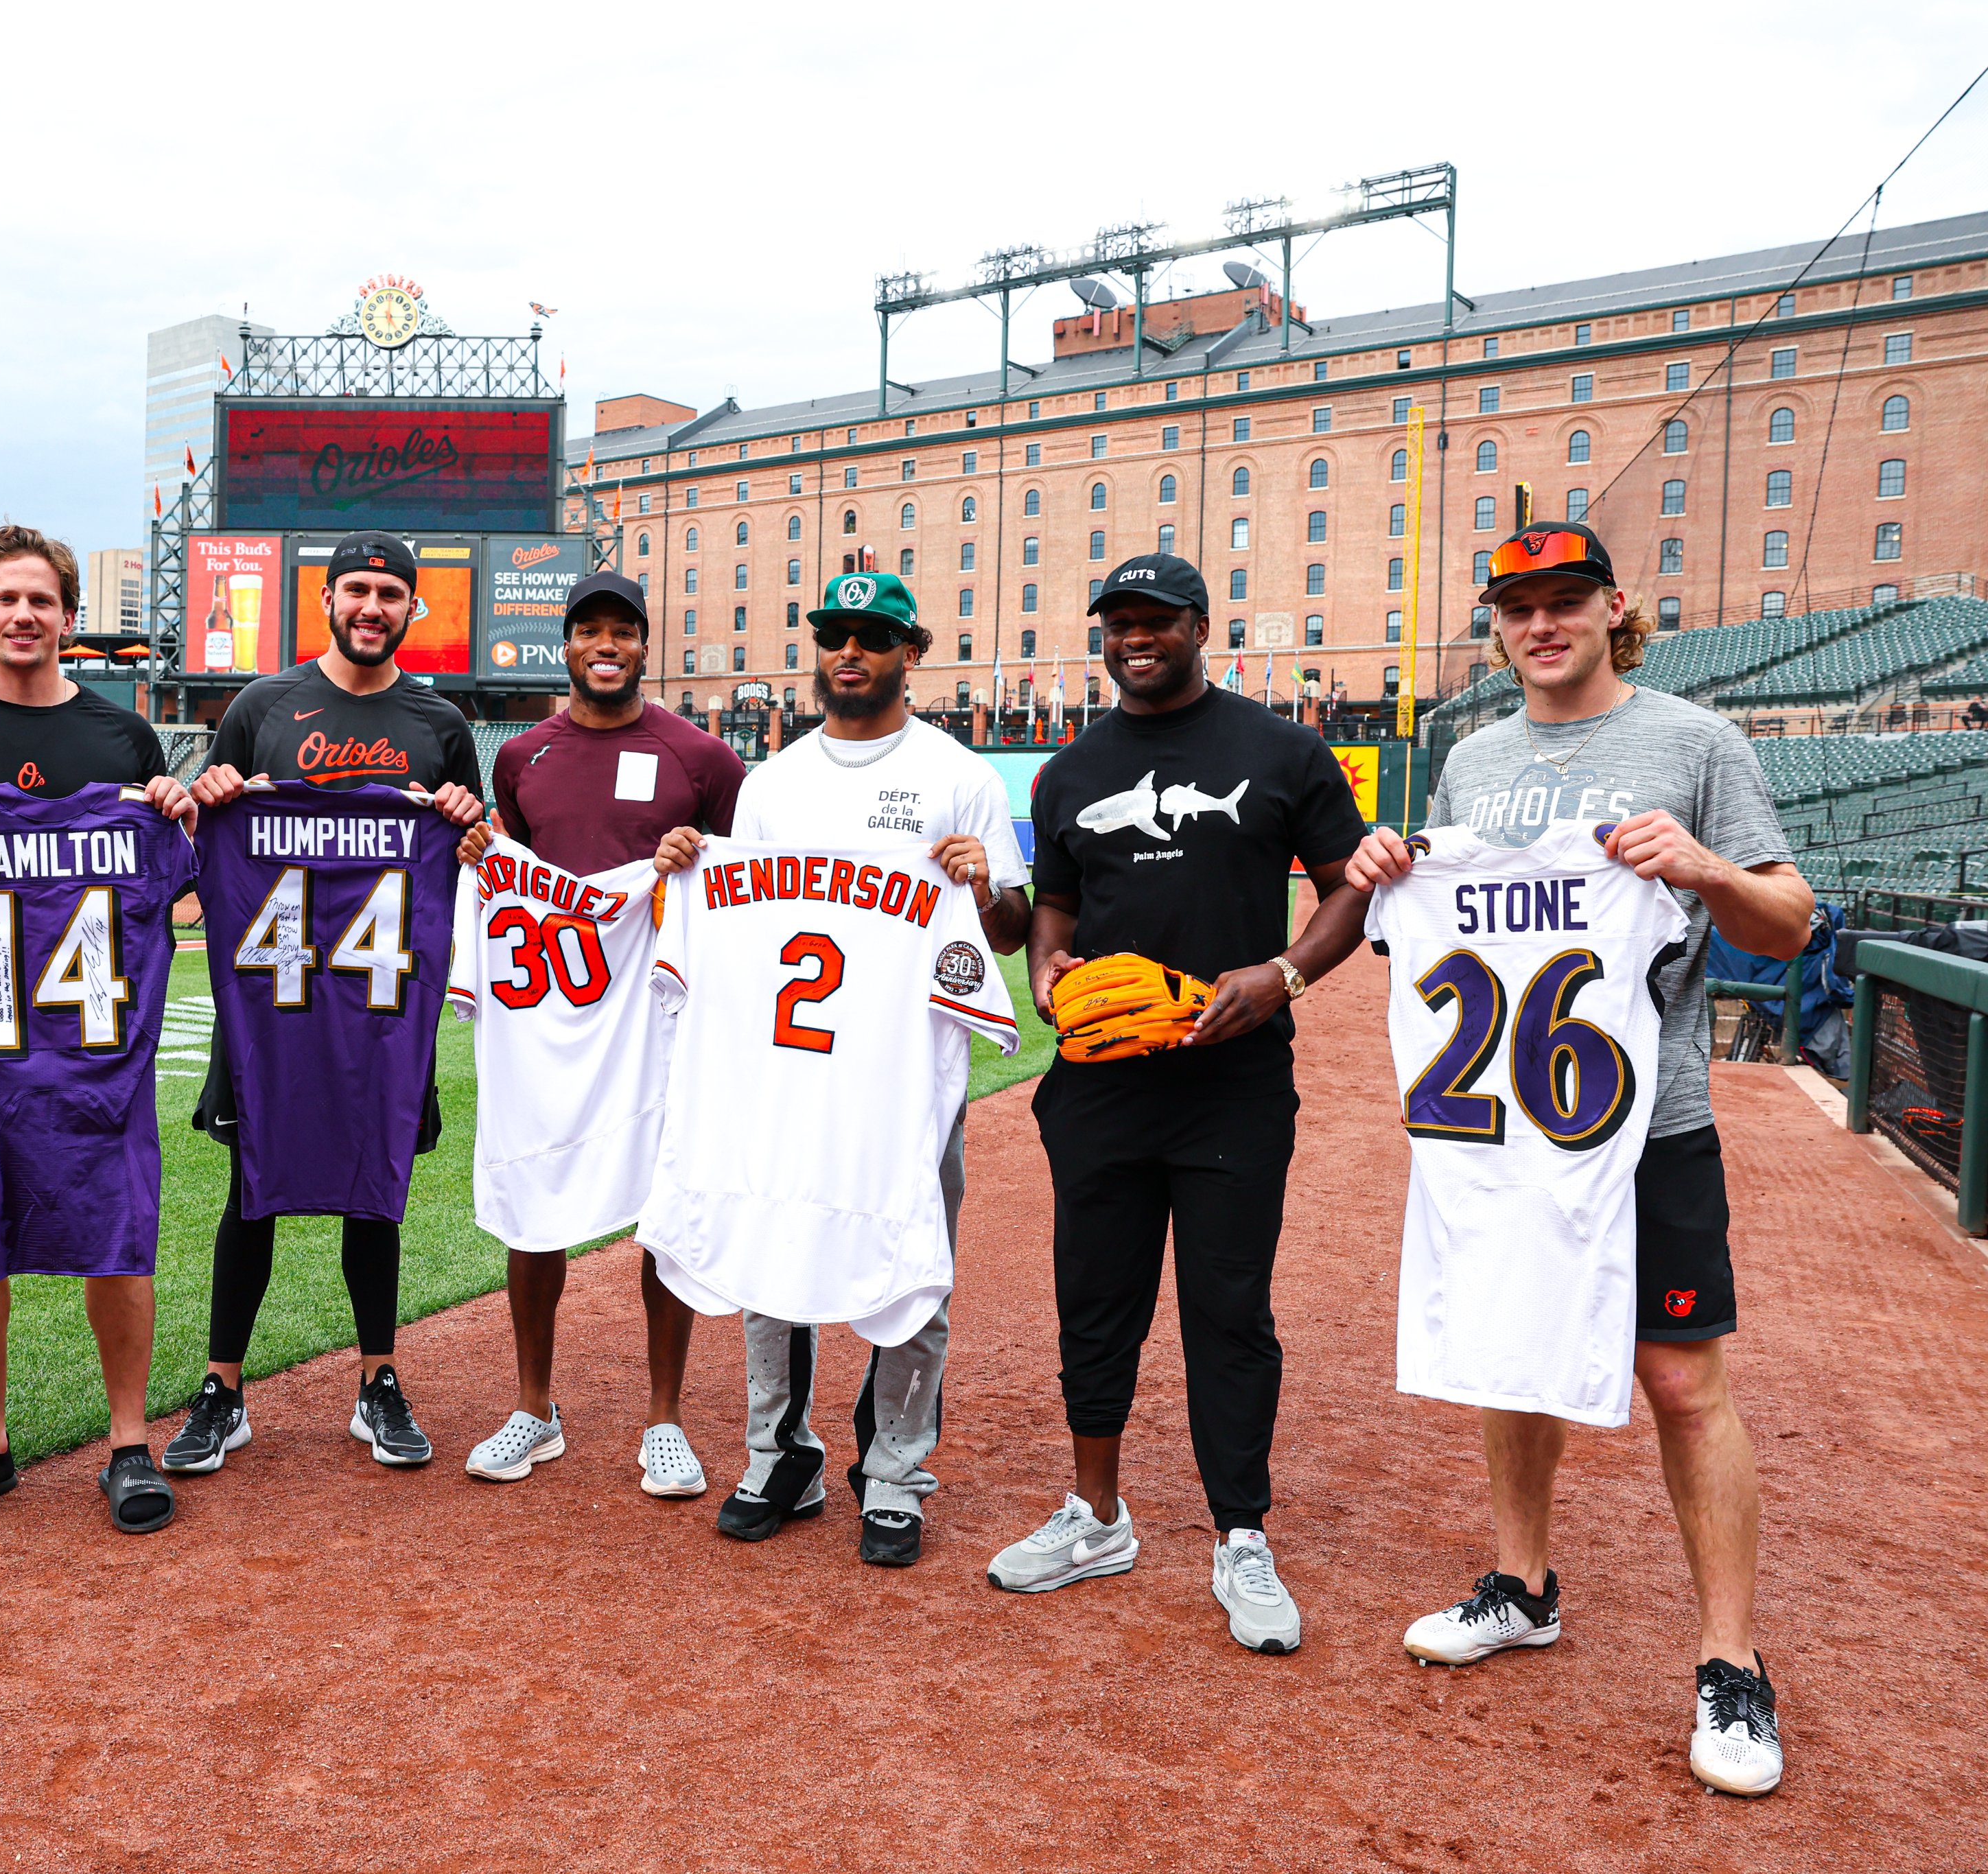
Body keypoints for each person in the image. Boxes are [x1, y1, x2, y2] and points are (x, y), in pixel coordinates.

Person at [1341, 521, 1811, 1796]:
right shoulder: (1472, 759)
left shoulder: (1694, 740)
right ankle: (1523, 1584)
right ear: (1497, 625)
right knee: (1512, 1350)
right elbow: (1430, 941)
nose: (1540, 624)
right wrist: (1392, 863)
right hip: (1498, 1127)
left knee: (1680, 1381)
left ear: (1615, 608)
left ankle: (1731, 1659)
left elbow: (1788, 913)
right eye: (1516, 605)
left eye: (1564, 600)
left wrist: (1703, 866)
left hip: (1648, 1127)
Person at [990, 552, 1370, 1654]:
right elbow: (1054, 913)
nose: (1135, 637)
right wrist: (1050, 974)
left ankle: (1240, 1532)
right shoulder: (1067, 773)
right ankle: (1096, 1513)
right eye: (1119, 622)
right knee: (1094, 1300)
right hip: (1103, 1081)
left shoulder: (1282, 749)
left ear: (1202, 627)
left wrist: (1285, 973)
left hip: (1234, 1084)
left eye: (1157, 620)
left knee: (1228, 1309)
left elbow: (1348, 884)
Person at [677, 570, 1029, 1568]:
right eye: (835, 633)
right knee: (770, 1241)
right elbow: (739, 921)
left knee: (912, 1256)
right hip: (791, 1064)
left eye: (873, 636)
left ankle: (894, 1472)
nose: (850, 651)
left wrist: (980, 884)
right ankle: (776, 1451)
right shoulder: (773, 782)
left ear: (910, 652)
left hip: (904, 1071)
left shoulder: (960, 774)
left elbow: (1002, 933)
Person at [0, 524, 197, 1539]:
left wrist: (176, 810)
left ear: (69, 617)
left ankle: (128, 1439)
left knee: (118, 1226)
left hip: (96, 1031)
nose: (24, 616)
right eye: (6, 598)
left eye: (43, 601)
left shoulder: (123, 740)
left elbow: (176, 892)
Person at [165, 532, 484, 1475]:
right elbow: (202, 840)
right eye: (358, 589)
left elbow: (474, 860)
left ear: (409, 607)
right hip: (275, 989)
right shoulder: (264, 705)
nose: (373, 605)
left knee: (375, 1180)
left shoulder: (440, 720)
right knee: (249, 1187)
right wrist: (209, 791)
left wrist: (469, 825)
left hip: (384, 994)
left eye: (391, 592)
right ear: (329, 600)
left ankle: (378, 1378)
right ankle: (223, 1386)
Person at [461, 570, 745, 1497]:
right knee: (531, 1196)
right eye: (591, 630)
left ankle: (664, 1418)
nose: (607, 644)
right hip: (547, 1013)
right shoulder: (524, 757)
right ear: (569, 646)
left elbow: (754, 879)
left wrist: (692, 857)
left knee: (665, 1212)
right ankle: (533, 1406)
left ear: (644, 646)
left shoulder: (701, 756)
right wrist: (480, 854)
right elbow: (511, 864)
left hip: (666, 1012)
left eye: (625, 628)